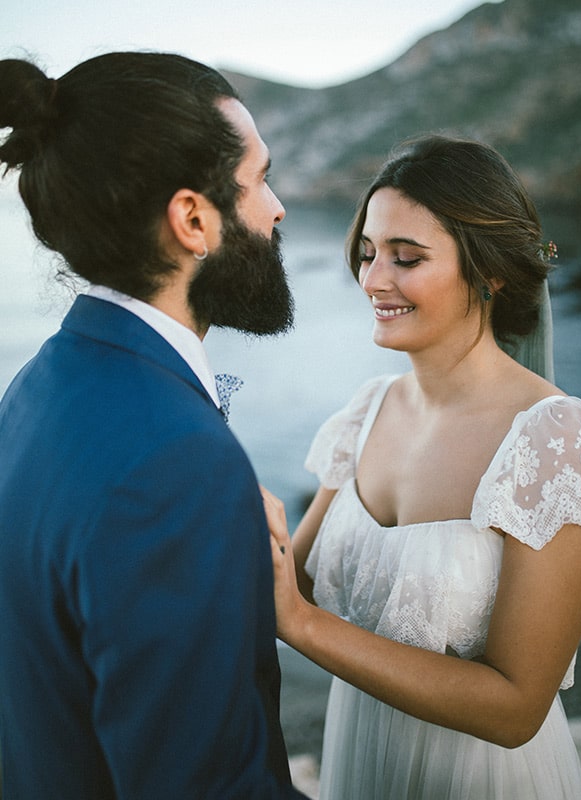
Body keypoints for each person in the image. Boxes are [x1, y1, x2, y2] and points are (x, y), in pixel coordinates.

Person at [262, 134, 581, 799]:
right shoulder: (366, 412)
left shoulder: (561, 440)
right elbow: (290, 589)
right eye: (367, 253)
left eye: (407, 258)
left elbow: (515, 710)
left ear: (489, 272)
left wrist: (303, 628)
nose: (374, 280)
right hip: (358, 763)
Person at [0, 52, 308, 799]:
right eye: (260, 178)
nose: (278, 208)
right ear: (193, 219)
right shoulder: (177, 461)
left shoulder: (36, 387)